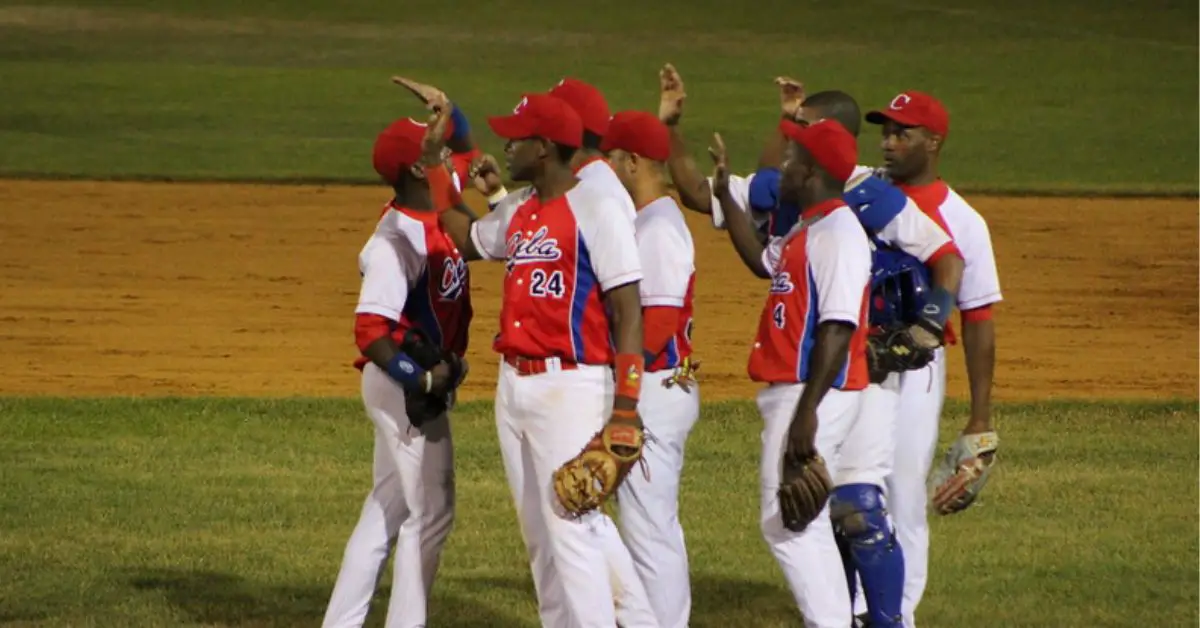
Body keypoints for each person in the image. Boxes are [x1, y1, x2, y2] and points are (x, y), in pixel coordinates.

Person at [436, 92, 658, 628]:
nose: (505, 145)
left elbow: (629, 311)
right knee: (544, 536)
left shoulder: (597, 207)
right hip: (514, 387)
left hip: (572, 388)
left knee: (571, 529)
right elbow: (466, 238)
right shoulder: (518, 209)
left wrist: (626, 406)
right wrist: (435, 167)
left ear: (544, 147)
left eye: (516, 137)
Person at [709, 118, 874, 628]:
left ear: (810, 171)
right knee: (806, 522)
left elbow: (839, 328)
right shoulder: (811, 226)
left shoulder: (840, 234)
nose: (780, 166)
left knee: (785, 523)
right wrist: (725, 195)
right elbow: (762, 261)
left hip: (813, 391)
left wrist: (808, 415)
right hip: (802, 391)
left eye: (789, 158)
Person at [321, 107, 472, 628]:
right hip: (400, 386)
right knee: (431, 514)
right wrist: (424, 380)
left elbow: (469, 147)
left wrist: (447, 109)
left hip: (412, 383)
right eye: (437, 150)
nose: (450, 156)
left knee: (388, 509)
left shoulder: (440, 211)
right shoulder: (392, 241)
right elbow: (370, 331)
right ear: (415, 169)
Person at [864, 91, 1003, 628]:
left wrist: (980, 418)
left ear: (934, 142)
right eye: (885, 131)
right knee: (852, 487)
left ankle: (898, 614)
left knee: (901, 490)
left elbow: (978, 318)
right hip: (850, 360)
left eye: (903, 133)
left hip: (913, 375)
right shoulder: (863, 193)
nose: (889, 142)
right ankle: (853, 605)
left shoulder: (963, 220)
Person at [601, 109, 701, 628]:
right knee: (649, 524)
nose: (604, 168)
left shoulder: (659, 227)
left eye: (610, 159)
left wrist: (624, 402)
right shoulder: (650, 219)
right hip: (656, 387)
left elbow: (656, 327)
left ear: (632, 161)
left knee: (650, 529)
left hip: (654, 391)